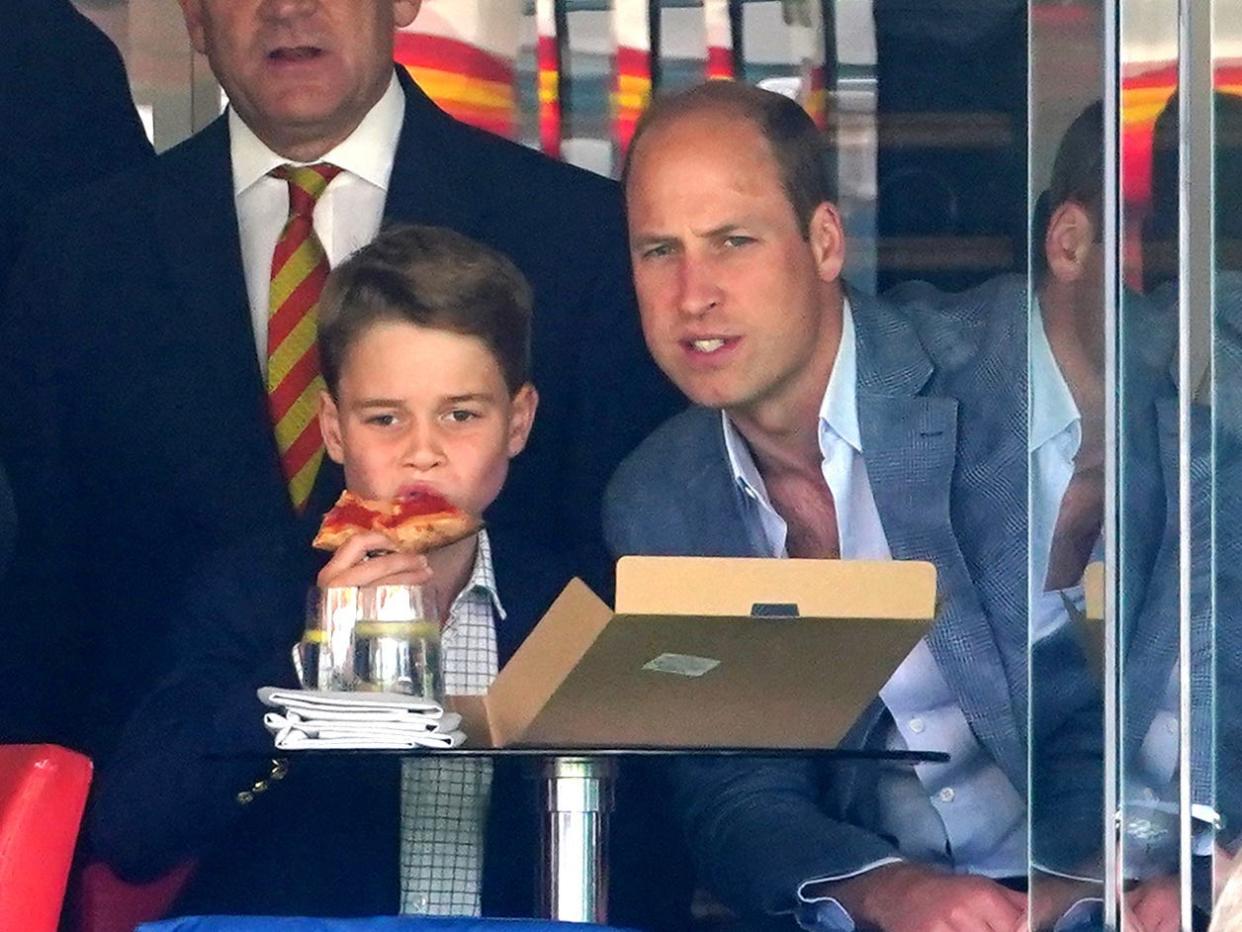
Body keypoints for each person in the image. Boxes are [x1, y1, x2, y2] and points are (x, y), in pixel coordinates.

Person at [0, 0, 678, 754]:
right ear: (194, 16)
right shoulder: (78, 255)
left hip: (499, 818)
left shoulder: (577, 235)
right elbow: (48, 588)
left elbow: (623, 570)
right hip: (169, 829)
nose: (288, 8)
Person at [605, 80, 1040, 931]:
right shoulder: (656, 497)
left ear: (826, 241)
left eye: (733, 241)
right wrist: (883, 889)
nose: (693, 295)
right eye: (659, 251)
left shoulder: (1002, 373)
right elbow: (733, 792)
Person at [89, 224, 621, 919]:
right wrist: (309, 667)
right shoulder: (251, 591)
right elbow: (134, 833)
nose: (422, 454)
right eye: (384, 419)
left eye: (461, 414)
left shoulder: (578, 607)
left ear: (517, 423)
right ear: (334, 430)